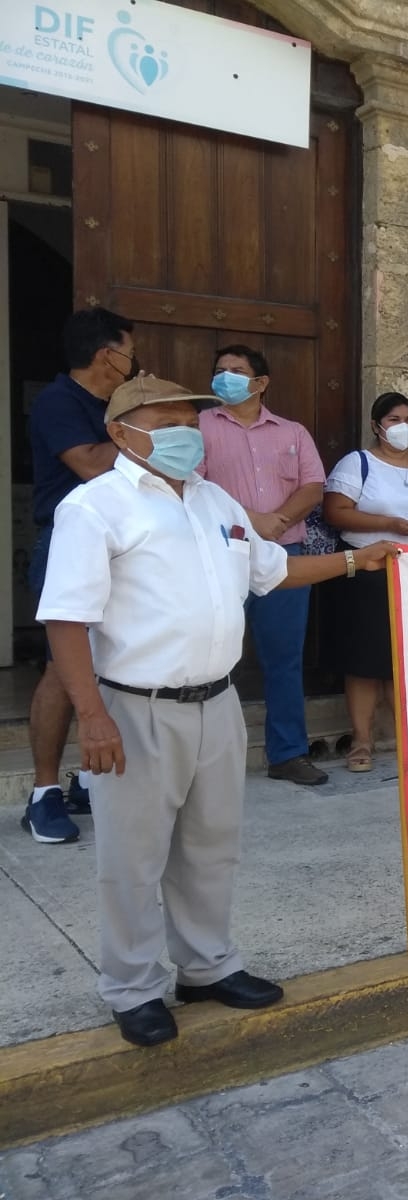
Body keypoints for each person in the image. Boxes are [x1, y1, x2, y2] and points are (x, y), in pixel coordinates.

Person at [36, 375, 399, 1047]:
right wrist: (90, 716)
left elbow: (273, 570)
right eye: (167, 420)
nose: (185, 432)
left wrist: (355, 561)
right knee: (133, 858)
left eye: (190, 420)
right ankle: (134, 987)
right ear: (121, 432)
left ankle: (206, 967)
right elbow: (65, 619)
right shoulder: (96, 508)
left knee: (210, 847)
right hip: (136, 708)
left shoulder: (212, 500)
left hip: (217, 702)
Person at [21, 308, 138, 844]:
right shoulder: (57, 402)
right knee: (63, 671)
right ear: (105, 354)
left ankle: (89, 780)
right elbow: (92, 465)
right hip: (67, 545)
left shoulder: (113, 405)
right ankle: (43, 794)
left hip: (121, 545)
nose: (133, 364)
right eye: (129, 352)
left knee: (113, 662)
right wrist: (143, 431)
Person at [198, 345, 329, 786]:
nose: (226, 378)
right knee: (213, 658)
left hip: (285, 555)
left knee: (284, 659)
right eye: (220, 371)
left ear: (261, 383)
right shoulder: (199, 427)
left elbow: (313, 486)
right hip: (223, 555)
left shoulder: (292, 432)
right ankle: (209, 760)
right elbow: (194, 487)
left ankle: (288, 754)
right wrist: (253, 522)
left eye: (237, 371)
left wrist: (279, 522)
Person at [324, 393, 408, 773]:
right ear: (376, 426)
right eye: (395, 419)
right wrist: (388, 524)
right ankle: (362, 741)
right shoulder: (358, 463)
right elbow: (335, 511)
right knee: (365, 662)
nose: (404, 427)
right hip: (369, 572)